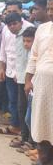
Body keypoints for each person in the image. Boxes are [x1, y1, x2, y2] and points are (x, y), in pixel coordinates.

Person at [0, 0, 33, 136]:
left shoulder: (29, 28)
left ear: (20, 11)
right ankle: (15, 126)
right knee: (13, 101)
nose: (11, 14)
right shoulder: (7, 27)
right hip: (9, 71)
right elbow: (3, 51)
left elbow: (31, 55)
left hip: (24, 74)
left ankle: (25, 134)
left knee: (23, 105)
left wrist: (24, 74)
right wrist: (1, 68)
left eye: (14, 12)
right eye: (9, 12)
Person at [25, 19, 53, 165]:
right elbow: (34, 56)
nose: (50, 12)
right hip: (42, 87)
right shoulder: (42, 28)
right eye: (49, 8)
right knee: (41, 124)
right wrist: (28, 80)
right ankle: (42, 159)